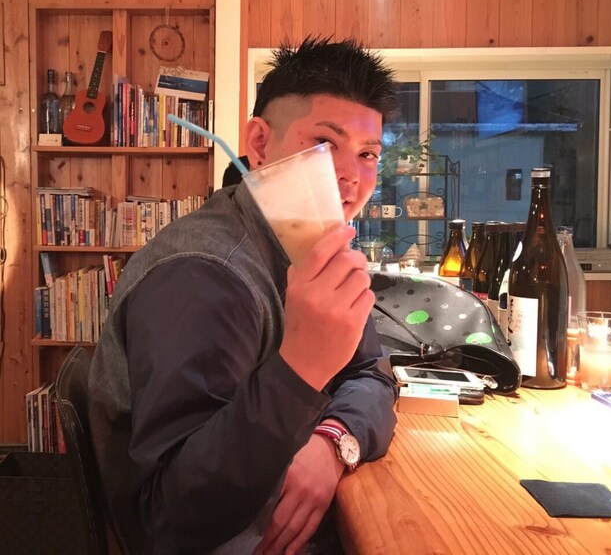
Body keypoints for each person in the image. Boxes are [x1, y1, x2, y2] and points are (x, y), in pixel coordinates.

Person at [88, 36, 399, 555]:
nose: (351, 176)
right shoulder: (204, 275)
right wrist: (302, 367)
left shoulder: (310, 242)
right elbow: (173, 519)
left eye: (367, 154)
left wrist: (333, 443)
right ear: (259, 143)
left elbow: (373, 373)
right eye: (326, 144)